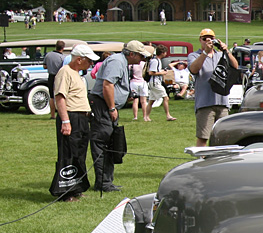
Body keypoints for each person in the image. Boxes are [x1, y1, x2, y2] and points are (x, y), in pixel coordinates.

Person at [89, 40, 153, 192]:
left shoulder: (122, 62)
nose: (142, 60)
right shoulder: (116, 61)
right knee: (103, 142)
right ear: (131, 54)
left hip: (108, 106)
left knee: (111, 142)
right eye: (140, 56)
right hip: (103, 106)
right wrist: (111, 108)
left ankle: (106, 181)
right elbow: (107, 85)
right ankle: (103, 183)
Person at [51, 44, 99, 200]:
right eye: (89, 61)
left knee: (79, 153)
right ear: (79, 59)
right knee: (69, 153)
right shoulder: (65, 72)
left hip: (82, 118)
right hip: (72, 116)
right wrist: (65, 120)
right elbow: (60, 97)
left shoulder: (77, 74)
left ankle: (77, 188)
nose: (91, 64)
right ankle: (65, 191)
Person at [187, 28, 238, 147]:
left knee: (224, 137)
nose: (208, 41)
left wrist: (227, 51)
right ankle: (201, 162)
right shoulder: (194, 55)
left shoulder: (220, 55)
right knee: (203, 137)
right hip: (205, 103)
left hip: (222, 102)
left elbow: (235, 66)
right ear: (200, 40)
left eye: (211, 39)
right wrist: (205, 52)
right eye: (205, 39)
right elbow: (194, 69)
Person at [146, 45, 176, 121]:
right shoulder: (155, 61)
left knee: (151, 101)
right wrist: (162, 73)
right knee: (166, 98)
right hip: (155, 82)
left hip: (156, 82)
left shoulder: (158, 60)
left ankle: (146, 117)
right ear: (162, 53)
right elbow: (151, 73)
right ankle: (168, 115)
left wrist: (162, 71)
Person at [44, 40, 66, 119]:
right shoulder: (63, 57)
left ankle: (52, 115)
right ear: (63, 48)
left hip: (51, 76)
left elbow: (44, 66)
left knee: (52, 96)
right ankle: (61, 114)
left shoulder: (48, 55)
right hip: (59, 77)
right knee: (60, 95)